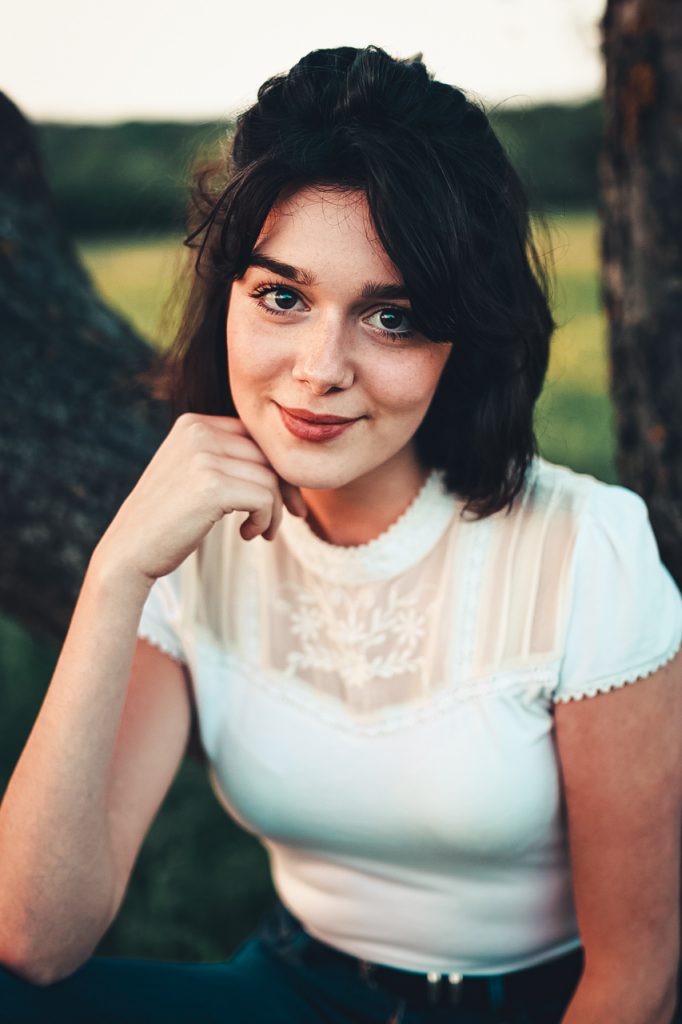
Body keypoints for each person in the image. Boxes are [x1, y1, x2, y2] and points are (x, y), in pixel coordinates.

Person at [0, 43, 680, 1024]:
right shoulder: (192, 543)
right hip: (289, 989)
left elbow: (637, 983)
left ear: (464, 336)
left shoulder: (588, 549)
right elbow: (33, 935)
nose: (321, 368)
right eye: (282, 296)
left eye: (392, 316)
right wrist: (117, 573)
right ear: (228, 297)